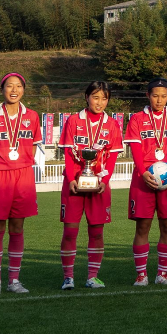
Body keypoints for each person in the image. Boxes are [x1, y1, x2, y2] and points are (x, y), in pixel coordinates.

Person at [57, 80, 124, 288]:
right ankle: (68, 277)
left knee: (96, 232)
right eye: (95, 97)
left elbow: (112, 158)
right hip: (74, 184)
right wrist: (71, 179)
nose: (100, 102)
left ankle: (92, 276)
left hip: (99, 185)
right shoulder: (73, 121)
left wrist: (105, 181)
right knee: (70, 231)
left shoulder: (112, 124)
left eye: (104, 98)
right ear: (86, 97)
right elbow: (69, 154)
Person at [0, 72, 40, 294]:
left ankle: (14, 280)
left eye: (18, 86)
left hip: (23, 176)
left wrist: (24, 162)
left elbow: (34, 145)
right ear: (2, 89)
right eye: (9, 86)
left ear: (23, 89)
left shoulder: (32, 116)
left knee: (17, 227)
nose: (14, 90)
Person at [125, 77, 167, 285]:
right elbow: (135, 149)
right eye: (155, 96)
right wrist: (143, 172)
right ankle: (141, 274)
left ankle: (162, 273)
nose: (159, 100)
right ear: (148, 95)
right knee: (142, 227)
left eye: (163, 96)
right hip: (143, 178)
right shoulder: (137, 119)